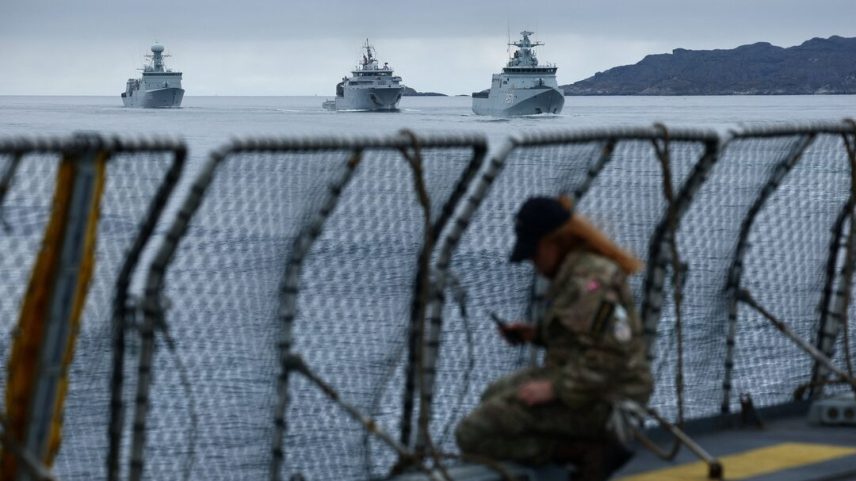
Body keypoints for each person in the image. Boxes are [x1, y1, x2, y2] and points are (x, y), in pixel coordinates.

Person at [455, 196, 653, 480]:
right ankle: (572, 447)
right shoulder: (574, 272)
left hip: (609, 402)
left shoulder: (590, 282)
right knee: (493, 393)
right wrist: (536, 335)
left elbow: (611, 356)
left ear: (553, 243)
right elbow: (584, 337)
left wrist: (555, 388)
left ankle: (583, 452)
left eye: (534, 254)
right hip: (589, 389)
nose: (534, 264)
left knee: (472, 432)